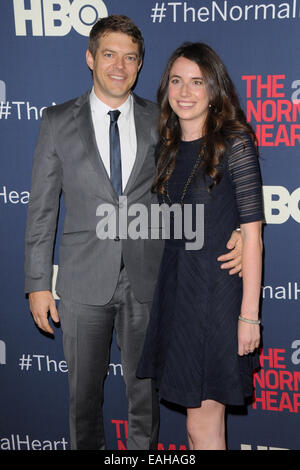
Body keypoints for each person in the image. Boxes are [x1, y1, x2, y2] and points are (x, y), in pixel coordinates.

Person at [24, 17, 243, 450]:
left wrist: (235, 228)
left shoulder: (162, 120)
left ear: (140, 66)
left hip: (149, 279)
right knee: (83, 400)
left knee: (145, 399)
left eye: (130, 57)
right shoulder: (55, 121)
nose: (119, 66)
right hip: (83, 281)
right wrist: (36, 284)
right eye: (109, 54)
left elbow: (201, 178)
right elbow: (41, 208)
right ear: (90, 58)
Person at [137, 42, 264, 450]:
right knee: (200, 429)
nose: (185, 92)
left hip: (216, 299)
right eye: (177, 81)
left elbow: (254, 234)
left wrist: (249, 317)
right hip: (178, 294)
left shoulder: (235, 144)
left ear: (215, 90)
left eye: (197, 82)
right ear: (166, 88)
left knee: (203, 427)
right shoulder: (168, 149)